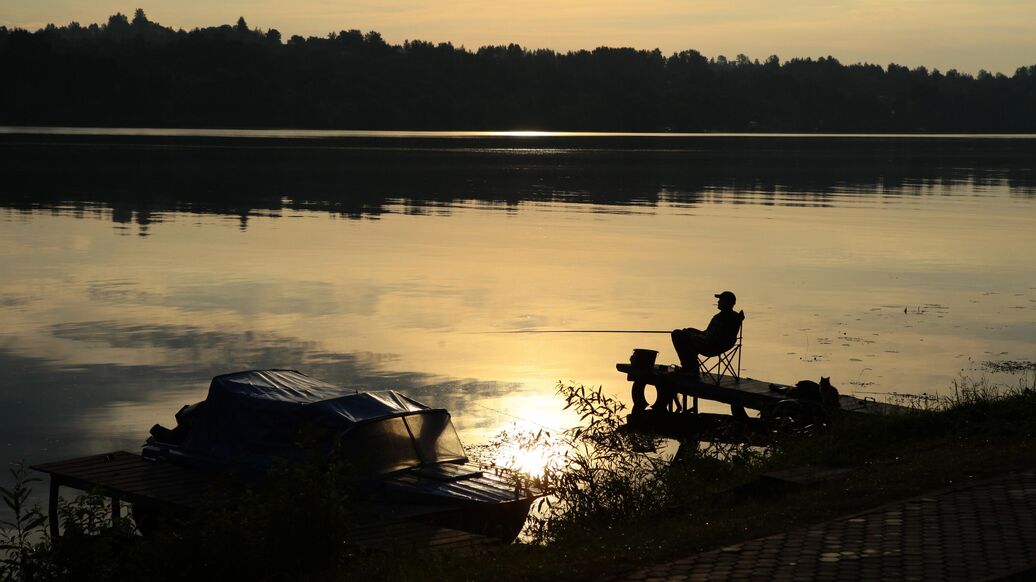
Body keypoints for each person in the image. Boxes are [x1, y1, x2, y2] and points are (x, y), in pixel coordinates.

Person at [672, 291, 743, 377]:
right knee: (688, 331)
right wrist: (690, 332)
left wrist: (691, 336)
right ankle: (691, 367)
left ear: (727, 303)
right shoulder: (732, 317)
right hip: (719, 345)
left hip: (711, 347)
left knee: (676, 334)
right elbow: (708, 333)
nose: (718, 302)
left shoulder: (723, 318)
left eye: (721, 300)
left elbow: (709, 339)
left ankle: (690, 368)